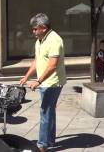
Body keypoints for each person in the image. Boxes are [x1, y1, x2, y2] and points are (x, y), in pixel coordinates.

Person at [19, 13, 66, 152]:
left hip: (52, 83)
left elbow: (52, 65)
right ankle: (49, 141)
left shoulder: (54, 40)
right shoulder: (39, 40)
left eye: (35, 29)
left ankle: (42, 146)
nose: (33, 31)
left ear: (43, 28)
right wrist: (27, 76)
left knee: (45, 112)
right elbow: (37, 61)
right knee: (49, 111)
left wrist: (38, 81)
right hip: (45, 82)